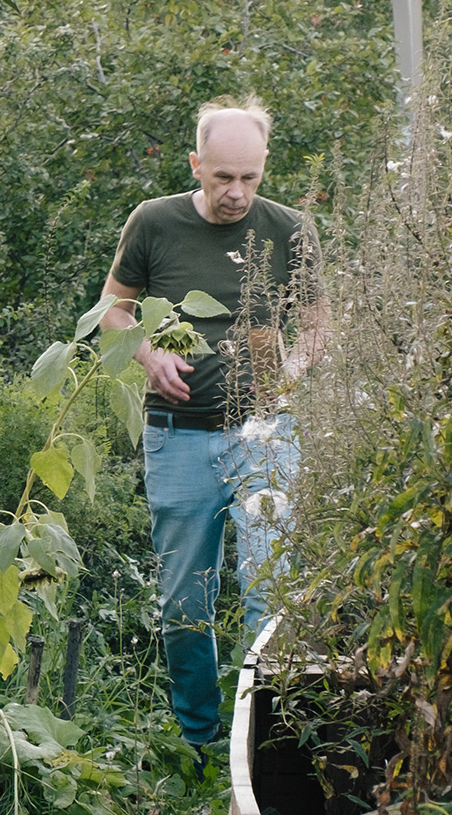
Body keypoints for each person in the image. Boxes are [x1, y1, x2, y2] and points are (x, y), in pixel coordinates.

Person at [96, 95, 325, 753]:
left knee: (271, 597)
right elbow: (111, 311)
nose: (236, 192)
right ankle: (198, 741)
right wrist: (147, 352)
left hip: (266, 433)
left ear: (263, 168)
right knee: (185, 607)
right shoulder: (154, 223)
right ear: (196, 164)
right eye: (223, 177)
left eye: (250, 178)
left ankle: (263, 748)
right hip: (179, 434)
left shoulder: (290, 230)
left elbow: (318, 328)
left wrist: (294, 367)